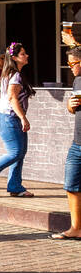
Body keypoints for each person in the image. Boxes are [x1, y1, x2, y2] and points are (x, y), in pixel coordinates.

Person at [0, 42, 35, 197]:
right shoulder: (15, 76)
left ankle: (15, 186)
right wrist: (23, 118)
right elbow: (13, 98)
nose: (26, 56)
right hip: (9, 119)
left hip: (6, 118)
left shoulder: (9, 74)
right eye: (23, 54)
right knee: (15, 152)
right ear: (14, 58)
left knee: (20, 152)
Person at [51, 46, 81, 241]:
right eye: (68, 63)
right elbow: (74, 110)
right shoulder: (77, 81)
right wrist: (70, 107)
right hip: (77, 142)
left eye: (73, 63)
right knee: (71, 185)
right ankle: (76, 228)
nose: (70, 67)